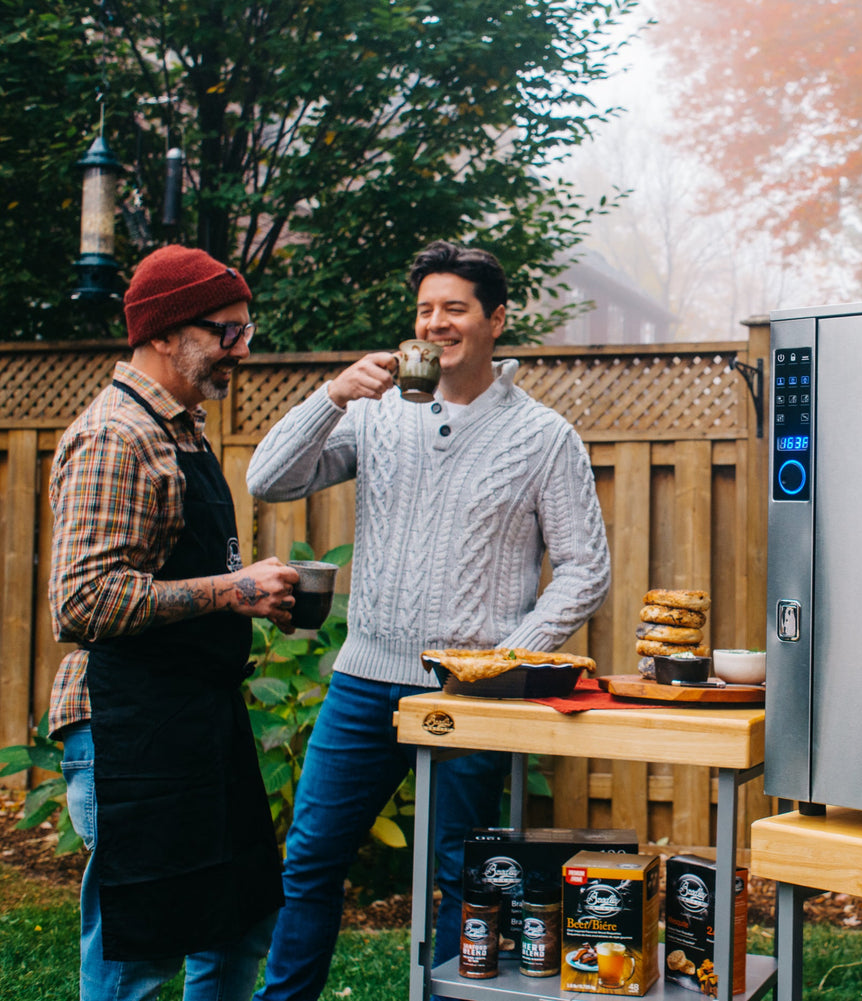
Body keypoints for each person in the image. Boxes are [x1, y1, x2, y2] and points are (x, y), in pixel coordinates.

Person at [245, 240, 611, 1000]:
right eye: (424, 309)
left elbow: (585, 568)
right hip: (362, 681)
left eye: (455, 307)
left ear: (495, 319)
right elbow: (267, 478)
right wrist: (334, 395)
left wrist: (501, 660)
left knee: (463, 877)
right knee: (310, 859)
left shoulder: (544, 437)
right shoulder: (375, 413)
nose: (436, 323)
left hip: (470, 699)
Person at [47, 244, 299, 1001]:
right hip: (131, 730)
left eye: (245, 330)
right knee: (140, 950)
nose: (243, 348)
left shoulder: (181, 426)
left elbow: (166, 571)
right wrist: (228, 590)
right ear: (164, 333)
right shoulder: (117, 435)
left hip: (195, 720)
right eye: (228, 331)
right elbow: (82, 599)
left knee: (235, 921)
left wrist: (245, 592)